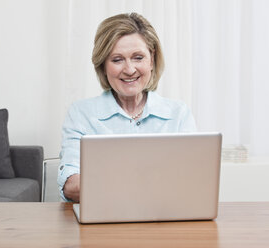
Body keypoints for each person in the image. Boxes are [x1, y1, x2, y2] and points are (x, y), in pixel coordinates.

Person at [58, 13, 196, 202]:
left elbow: (192, 182)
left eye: (138, 57)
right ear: (103, 65)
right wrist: (149, 181)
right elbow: (71, 186)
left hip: (164, 219)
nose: (129, 69)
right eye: (117, 60)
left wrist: (107, 181)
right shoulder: (81, 113)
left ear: (151, 60)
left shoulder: (178, 114)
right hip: (103, 223)